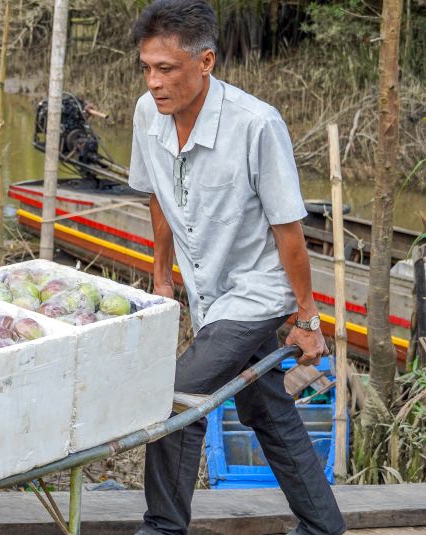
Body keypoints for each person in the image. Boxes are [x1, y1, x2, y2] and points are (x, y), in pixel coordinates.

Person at [125, 1, 347, 534]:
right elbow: (158, 197)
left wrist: (308, 318)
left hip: (257, 290)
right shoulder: (146, 115)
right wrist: (161, 277)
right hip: (205, 294)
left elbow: (288, 229)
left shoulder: (256, 124)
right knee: (267, 410)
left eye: (167, 69)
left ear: (206, 62)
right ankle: (324, 526)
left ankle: (162, 526)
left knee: (178, 399)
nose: (155, 83)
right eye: (147, 69)